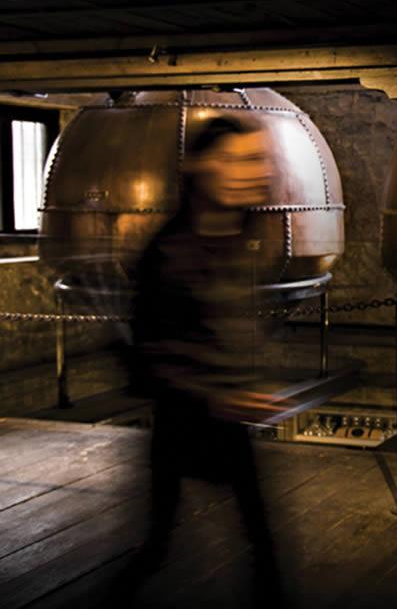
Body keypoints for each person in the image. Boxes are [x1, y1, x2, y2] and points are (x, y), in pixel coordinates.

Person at [108, 115, 284, 606]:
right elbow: (151, 353)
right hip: (184, 420)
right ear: (200, 167)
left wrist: (238, 383)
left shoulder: (236, 233)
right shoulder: (170, 253)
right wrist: (218, 394)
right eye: (239, 160)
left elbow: (225, 323)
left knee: (256, 543)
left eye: (259, 159)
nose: (256, 171)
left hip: (222, 417)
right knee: (161, 545)